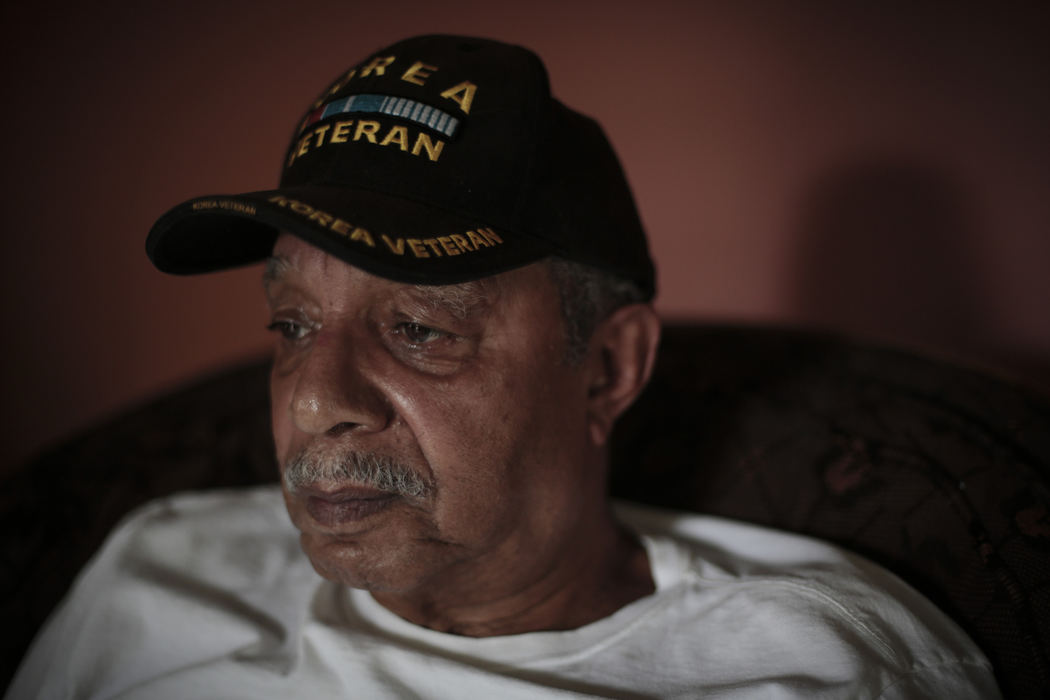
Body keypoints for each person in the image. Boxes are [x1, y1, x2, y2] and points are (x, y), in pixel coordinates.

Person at [8, 35, 999, 699]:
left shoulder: (819, 668)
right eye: (292, 325)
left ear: (608, 368)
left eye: (417, 328)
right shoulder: (158, 568)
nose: (313, 400)